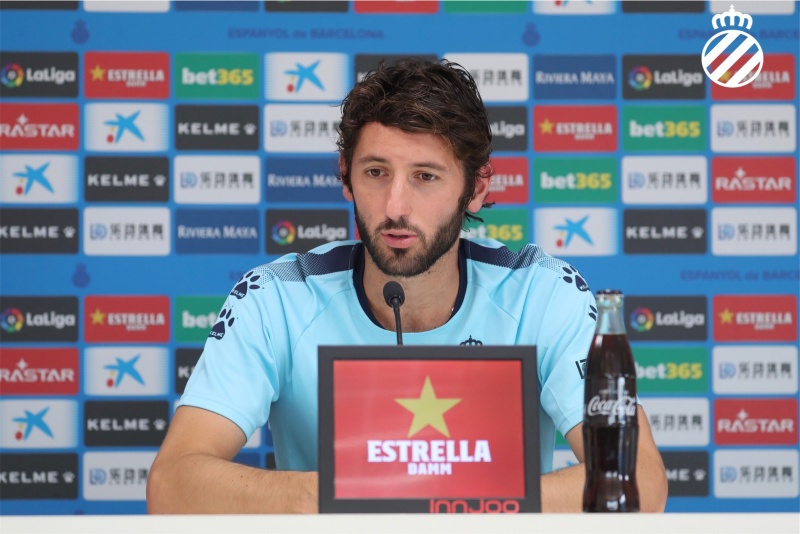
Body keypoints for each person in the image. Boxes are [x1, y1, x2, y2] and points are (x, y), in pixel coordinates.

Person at [147, 58, 667, 514]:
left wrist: (444, 500)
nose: (396, 206)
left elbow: (638, 480)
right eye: (376, 172)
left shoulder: (542, 293)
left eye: (425, 176)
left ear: (476, 188)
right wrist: (340, 495)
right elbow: (172, 484)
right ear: (346, 177)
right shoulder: (277, 296)